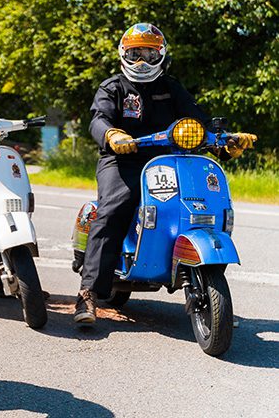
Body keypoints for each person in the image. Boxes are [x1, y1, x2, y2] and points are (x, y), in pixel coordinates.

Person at [75, 23, 256, 324]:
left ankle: (206, 291)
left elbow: (199, 123)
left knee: (200, 207)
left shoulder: (171, 88)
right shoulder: (113, 87)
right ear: (123, 55)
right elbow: (98, 119)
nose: (141, 61)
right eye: (134, 54)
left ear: (161, 55)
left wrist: (227, 142)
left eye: (148, 53)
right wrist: (111, 136)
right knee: (113, 211)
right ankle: (88, 295)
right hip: (123, 161)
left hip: (168, 162)